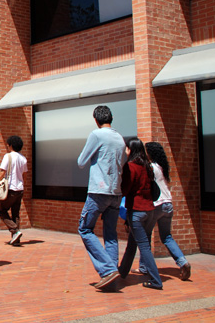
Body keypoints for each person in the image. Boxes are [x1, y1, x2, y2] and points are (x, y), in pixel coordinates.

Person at [77, 105, 127, 290]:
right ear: (111, 118)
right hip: (116, 192)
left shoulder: (97, 135)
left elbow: (81, 162)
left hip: (98, 191)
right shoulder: (120, 138)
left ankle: (107, 270)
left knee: (85, 229)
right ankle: (112, 270)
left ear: (96, 120)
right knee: (111, 234)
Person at [139, 141, 191, 281]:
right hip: (168, 204)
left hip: (157, 204)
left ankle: (144, 267)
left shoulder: (150, 168)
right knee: (167, 237)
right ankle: (182, 262)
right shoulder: (163, 167)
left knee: (145, 235)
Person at [118, 138, 162, 289]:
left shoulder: (130, 166)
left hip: (136, 211)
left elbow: (126, 189)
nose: (125, 151)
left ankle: (156, 280)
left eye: (127, 148)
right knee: (132, 244)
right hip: (150, 211)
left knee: (143, 247)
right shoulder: (147, 166)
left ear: (131, 150)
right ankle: (122, 272)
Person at [0, 135, 28, 246]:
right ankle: (16, 239)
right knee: (16, 213)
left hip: (10, 188)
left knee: (2, 210)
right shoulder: (23, 158)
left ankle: (15, 230)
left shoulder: (8, 156)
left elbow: (2, 172)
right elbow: (24, 175)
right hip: (20, 189)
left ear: (11, 145)